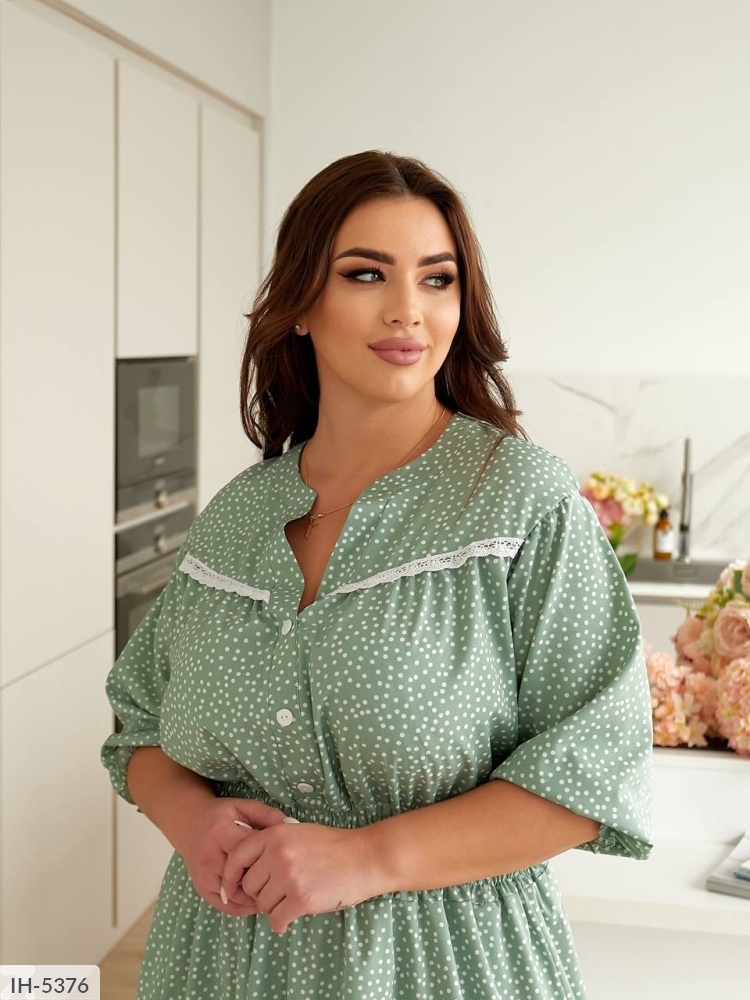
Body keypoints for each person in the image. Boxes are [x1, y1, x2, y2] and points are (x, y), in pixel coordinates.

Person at [101, 149, 654, 1000]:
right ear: (300, 305)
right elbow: (139, 723)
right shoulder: (239, 515)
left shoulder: (521, 503)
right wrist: (191, 819)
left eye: (437, 279)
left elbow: (593, 771)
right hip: (218, 964)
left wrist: (365, 858)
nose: (408, 309)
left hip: (440, 967)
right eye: (366, 274)